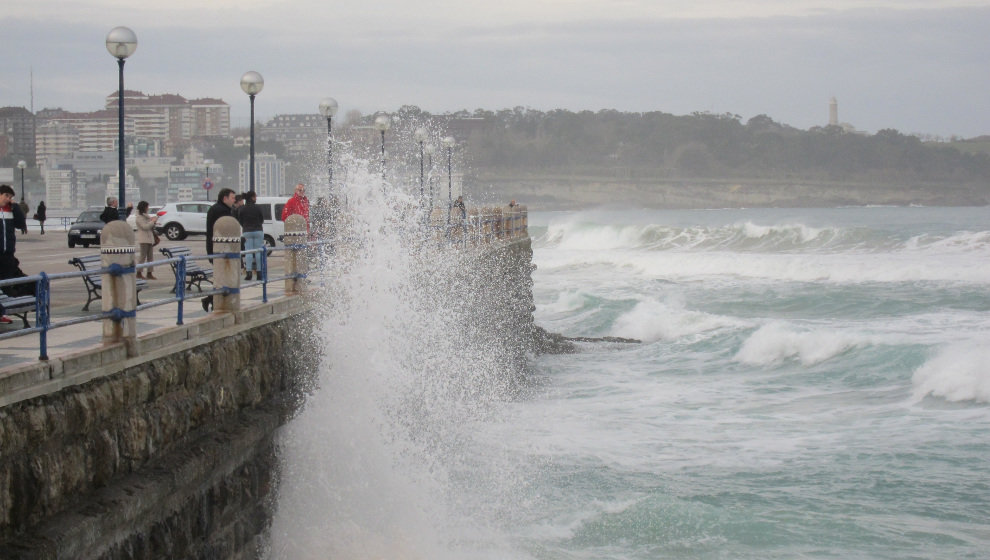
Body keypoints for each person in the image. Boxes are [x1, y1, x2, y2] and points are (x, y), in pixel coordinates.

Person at [202, 188, 236, 312]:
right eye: (232, 197)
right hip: (219, 249)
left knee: (222, 278)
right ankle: (212, 299)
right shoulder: (221, 211)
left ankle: (212, 299)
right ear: (225, 198)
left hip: (216, 248)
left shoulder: (219, 209)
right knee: (222, 278)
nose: (234, 200)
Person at [1, 185, 29, 324]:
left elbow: (20, 224)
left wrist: (16, 207)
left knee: (6, 284)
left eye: (10, 197)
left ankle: (2, 314)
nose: (8, 199)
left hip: (8, 254)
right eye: (6, 196)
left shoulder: (10, 210)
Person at [237, 191, 265, 281]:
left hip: (247, 231)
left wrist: (245, 226)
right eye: (255, 196)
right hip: (258, 230)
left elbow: (240, 220)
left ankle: (248, 273)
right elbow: (261, 219)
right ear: (252, 197)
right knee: (258, 252)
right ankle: (259, 273)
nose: (256, 198)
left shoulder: (242, 209)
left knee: (248, 252)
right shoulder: (258, 208)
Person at [134, 201, 158, 280]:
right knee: (143, 256)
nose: (148, 208)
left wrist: (153, 221)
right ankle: (139, 272)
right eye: (147, 207)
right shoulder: (139, 217)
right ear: (143, 207)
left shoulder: (145, 216)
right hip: (144, 239)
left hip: (149, 238)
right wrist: (152, 221)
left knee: (150, 257)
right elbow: (144, 227)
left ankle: (149, 273)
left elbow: (150, 226)